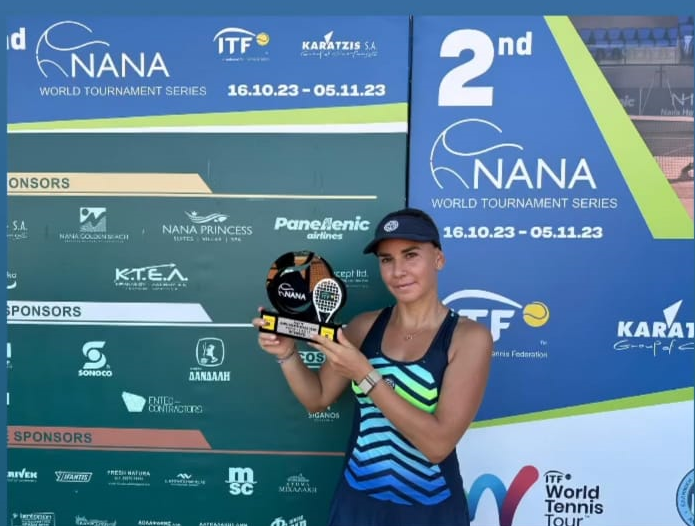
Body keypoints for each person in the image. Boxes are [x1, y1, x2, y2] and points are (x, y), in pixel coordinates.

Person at [253, 207, 493, 526]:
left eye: (411, 255)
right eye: (386, 260)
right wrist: (287, 354)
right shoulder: (364, 327)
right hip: (357, 505)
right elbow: (317, 398)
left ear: (438, 259)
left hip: (429, 511)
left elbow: (437, 445)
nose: (398, 271)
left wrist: (364, 374)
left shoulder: (469, 337)